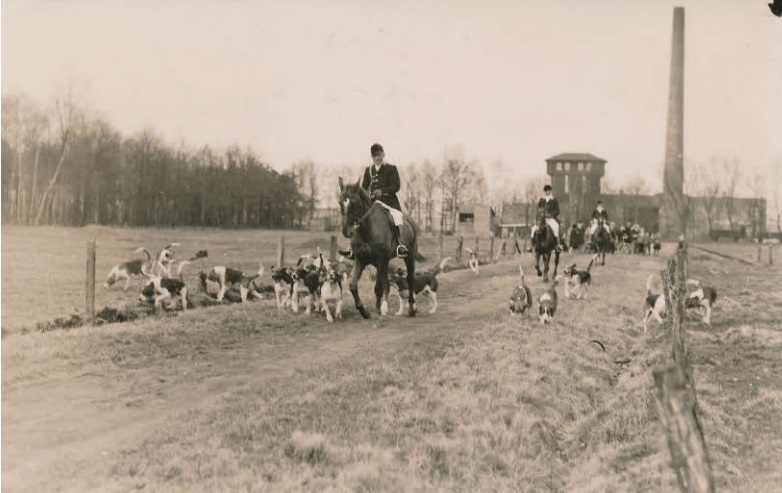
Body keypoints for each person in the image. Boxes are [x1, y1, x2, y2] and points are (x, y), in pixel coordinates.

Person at [340, 143, 409, 259]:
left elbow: (396, 186)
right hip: (372, 203)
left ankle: (399, 245)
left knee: (396, 217)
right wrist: (367, 194)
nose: (377, 158)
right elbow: (363, 188)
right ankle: (352, 247)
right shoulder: (369, 170)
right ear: (372, 157)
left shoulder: (391, 169)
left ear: (383, 154)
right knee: (360, 217)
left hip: (389, 202)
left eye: (379, 155)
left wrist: (383, 191)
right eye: (374, 156)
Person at [527, 184, 563, 252]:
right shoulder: (541, 200)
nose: (547, 192)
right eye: (546, 191)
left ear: (550, 191)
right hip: (542, 219)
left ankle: (558, 245)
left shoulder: (554, 200)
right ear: (545, 192)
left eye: (548, 191)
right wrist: (540, 215)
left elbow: (557, 210)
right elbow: (538, 209)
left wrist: (552, 214)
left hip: (551, 218)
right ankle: (531, 245)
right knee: (533, 229)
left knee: (555, 227)